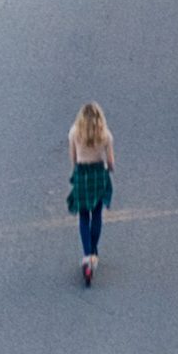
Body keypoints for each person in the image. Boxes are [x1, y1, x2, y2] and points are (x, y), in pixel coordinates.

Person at [67, 102, 115, 287]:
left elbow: (73, 158)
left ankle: (87, 256)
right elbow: (110, 162)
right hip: (98, 173)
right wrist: (108, 169)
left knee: (83, 216)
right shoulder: (105, 135)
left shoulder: (74, 132)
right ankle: (94, 252)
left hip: (82, 173)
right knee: (96, 214)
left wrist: (77, 172)